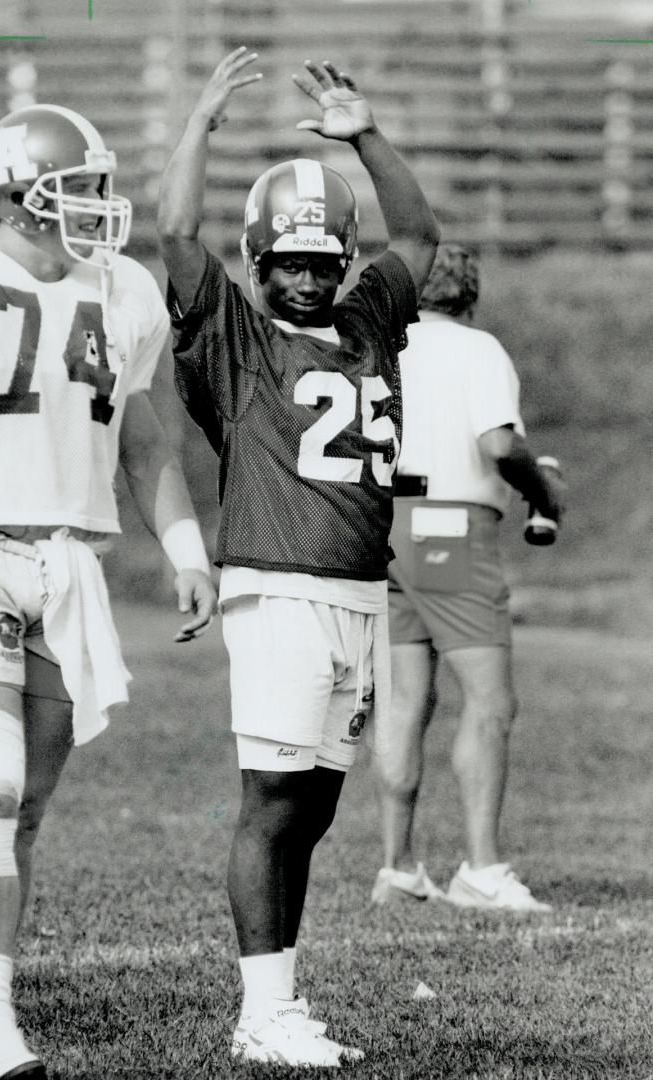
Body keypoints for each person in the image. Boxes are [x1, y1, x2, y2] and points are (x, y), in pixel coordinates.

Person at [157, 47, 439, 1067]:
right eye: (289, 261)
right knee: (272, 802)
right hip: (278, 591)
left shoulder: (368, 322)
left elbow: (419, 234)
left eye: (324, 261)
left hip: (359, 594)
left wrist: (364, 135)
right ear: (258, 259)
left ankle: (279, 997)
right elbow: (176, 233)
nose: (309, 278)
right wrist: (200, 125)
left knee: (313, 804)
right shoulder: (235, 337)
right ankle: (259, 1013)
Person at [0, 104, 217, 1080]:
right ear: (18, 192)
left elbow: (145, 441)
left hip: (67, 567)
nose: (97, 206)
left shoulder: (122, 289)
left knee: (23, 811)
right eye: (77, 188)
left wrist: (184, 546)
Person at [370, 242, 565, 912]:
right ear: (468, 293)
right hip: (447, 529)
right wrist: (546, 490)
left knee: (405, 703)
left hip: (379, 524)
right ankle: (481, 869)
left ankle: (397, 867)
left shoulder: (382, 345)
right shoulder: (477, 349)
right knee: (490, 702)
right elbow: (498, 445)